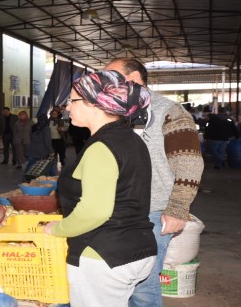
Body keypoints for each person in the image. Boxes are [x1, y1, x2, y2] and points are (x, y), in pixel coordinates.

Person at [43, 70, 156, 306]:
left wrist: (58, 229)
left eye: (72, 100)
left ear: (93, 103)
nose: (67, 107)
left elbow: (95, 211)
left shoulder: (102, 147)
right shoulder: (131, 139)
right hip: (136, 247)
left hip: (102, 254)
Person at [104, 57, 203, 307]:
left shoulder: (170, 112)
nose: (105, 83)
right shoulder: (116, 114)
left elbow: (189, 164)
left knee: (143, 285)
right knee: (120, 280)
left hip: (153, 212)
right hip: (118, 210)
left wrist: (178, 208)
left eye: (111, 77)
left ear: (134, 79)